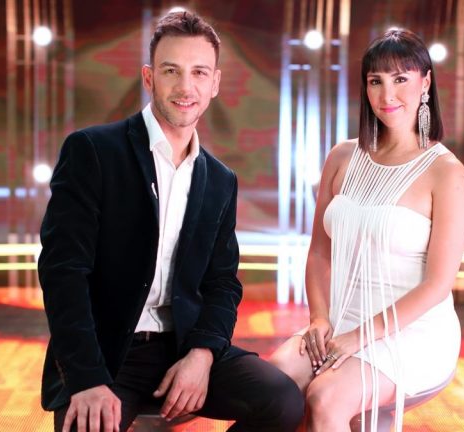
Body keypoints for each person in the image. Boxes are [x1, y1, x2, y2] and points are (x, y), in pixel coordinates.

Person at [38, 11, 303, 432]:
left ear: (215, 83)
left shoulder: (220, 180)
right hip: (105, 354)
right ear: (149, 78)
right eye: (171, 71)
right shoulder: (93, 151)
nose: (185, 87)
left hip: (182, 347)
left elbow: (222, 283)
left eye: (199, 72)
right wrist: (86, 379)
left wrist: (202, 354)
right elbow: (63, 271)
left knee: (282, 401)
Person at [270, 28, 464, 431]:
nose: (386, 94)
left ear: (425, 83)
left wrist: (361, 337)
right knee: (272, 385)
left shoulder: (445, 171)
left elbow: (437, 285)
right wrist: (319, 318)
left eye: (400, 79)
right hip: (339, 319)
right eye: (375, 81)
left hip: (411, 332)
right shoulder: (343, 156)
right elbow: (320, 253)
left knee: (325, 397)